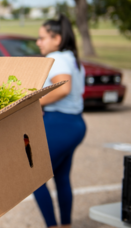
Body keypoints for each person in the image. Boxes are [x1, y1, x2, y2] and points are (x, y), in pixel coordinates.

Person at [33, 14, 87, 228]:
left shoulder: (59, 58)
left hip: (60, 124)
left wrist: (36, 103)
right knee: (62, 178)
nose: (38, 42)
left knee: (34, 179)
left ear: (57, 39)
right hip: (74, 124)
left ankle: (52, 226)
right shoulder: (71, 57)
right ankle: (65, 225)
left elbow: (63, 88)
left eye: (42, 38)